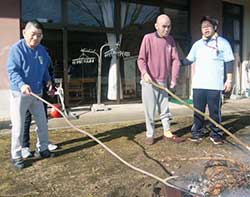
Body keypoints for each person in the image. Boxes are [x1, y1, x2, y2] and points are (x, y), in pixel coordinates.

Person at [7, 20, 55, 169]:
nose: (35, 38)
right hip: (19, 93)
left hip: (37, 93)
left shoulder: (42, 51)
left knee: (42, 122)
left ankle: (43, 148)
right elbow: (12, 70)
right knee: (19, 125)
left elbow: (45, 69)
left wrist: (49, 82)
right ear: (24, 33)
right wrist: (22, 84)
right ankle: (16, 156)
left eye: (39, 35)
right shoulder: (17, 49)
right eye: (33, 34)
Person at [182, 16, 234, 145]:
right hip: (199, 84)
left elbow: (229, 62)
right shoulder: (197, 44)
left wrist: (229, 80)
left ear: (215, 28)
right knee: (198, 112)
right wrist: (174, 61)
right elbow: (188, 60)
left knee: (215, 112)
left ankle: (216, 134)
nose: (205, 29)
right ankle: (197, 133)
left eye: (208, 26)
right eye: (203, 27)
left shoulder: (223, 43)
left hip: (215, 85)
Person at [137, 14, 185, 145]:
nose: (167, 29)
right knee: (150, 110)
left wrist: (174, 79)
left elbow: (176, 60)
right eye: (164, 26)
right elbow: (141, 59)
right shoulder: (148, 38)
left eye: (169, 26)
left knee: (165, 109)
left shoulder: (170, 41)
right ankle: (150, 134)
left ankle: (167, 132)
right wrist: (144, 73)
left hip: (163, 81)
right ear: (156, 26)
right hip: (149, 81)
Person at [21, 58, 58, 159]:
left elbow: (49, 71)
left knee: (42, 119)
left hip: (41, 90)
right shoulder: (24, 53)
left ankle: (43, 145)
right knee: (26, 119)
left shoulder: (44, 53)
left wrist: (51, 86)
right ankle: (24, 146)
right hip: (27, 91)